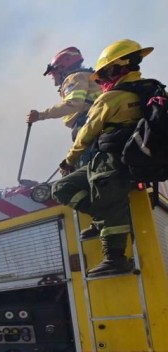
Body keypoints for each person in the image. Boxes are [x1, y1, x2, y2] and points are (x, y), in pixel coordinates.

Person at [51, 39, 153, 277]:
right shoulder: (153, 89)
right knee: (67, 188)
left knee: (107, 201)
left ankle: (115, 258)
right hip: (139, 156)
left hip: (111, 159)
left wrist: (69, 160)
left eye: (104, 73)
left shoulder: (111, 97)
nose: (102, 79)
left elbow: (87, 132)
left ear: (114, 68)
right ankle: (100, 219)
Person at [27, 46, 102, 152]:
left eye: (52, 72)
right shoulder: (87, 75)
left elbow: (73, 104)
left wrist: (40, 115)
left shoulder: (74, 78)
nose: (51, 76)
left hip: (88, 124)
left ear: (61, 68)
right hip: (96, 121)